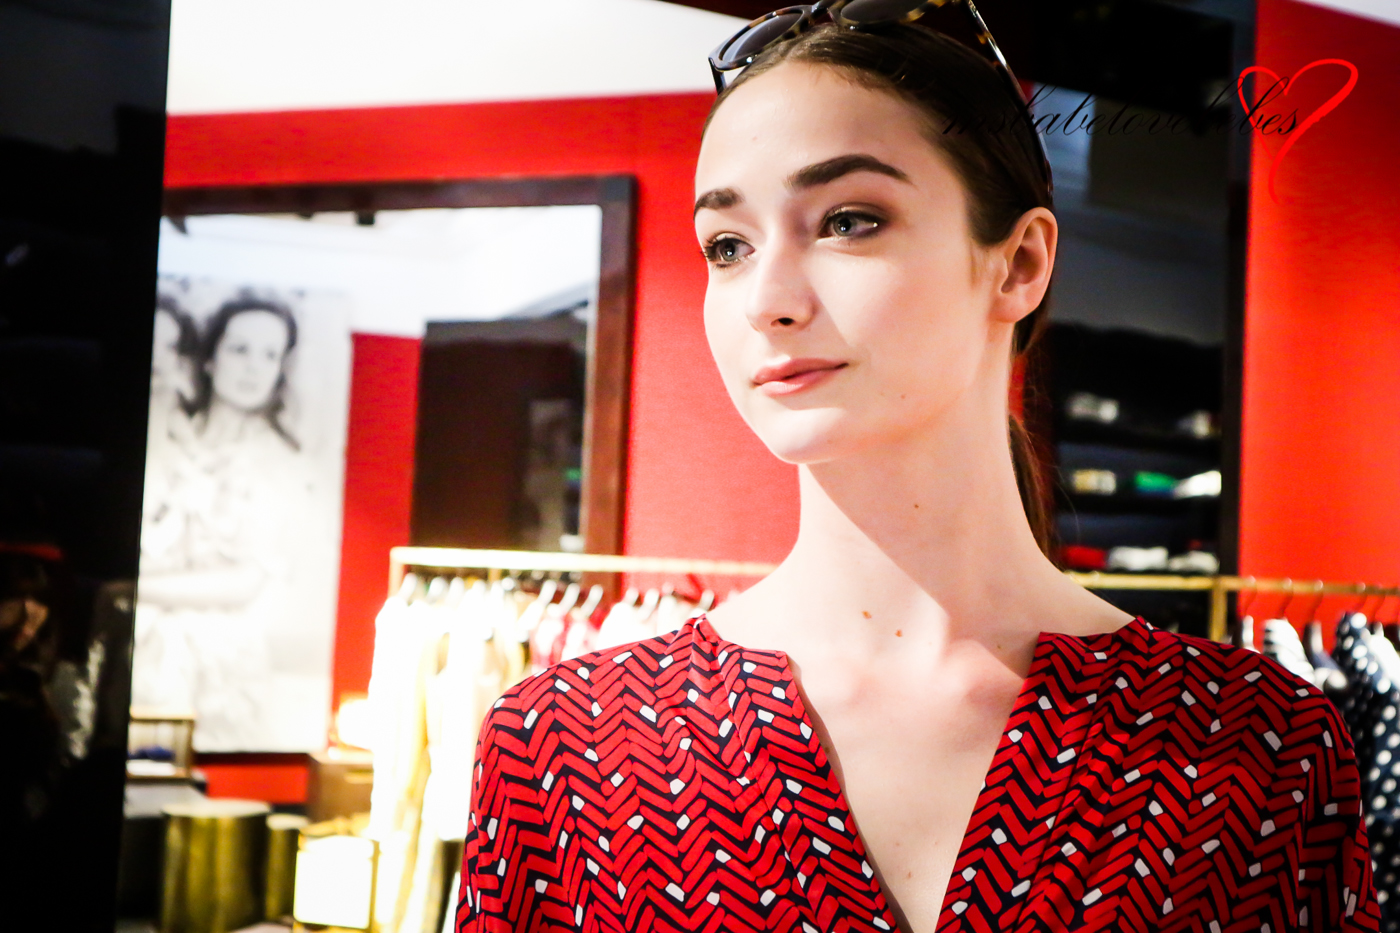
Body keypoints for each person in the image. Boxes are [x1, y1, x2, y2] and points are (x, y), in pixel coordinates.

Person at [456, 5, 1379, 931]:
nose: (767, 299)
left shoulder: (1258, 746)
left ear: (1019, 262)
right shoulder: (566, 748)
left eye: (847, 220)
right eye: (727, 246)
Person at [133, 293, 309, 749]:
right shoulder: (171, 433)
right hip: (140, 654)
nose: (253, 367)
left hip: (217, 669)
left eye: (269, 355)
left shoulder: (277, 465)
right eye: (240, 349)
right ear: (210, 359)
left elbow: (243, 583)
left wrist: (129, 586)